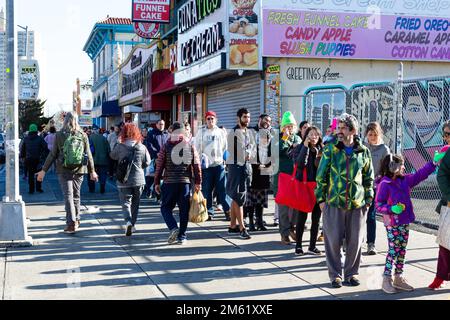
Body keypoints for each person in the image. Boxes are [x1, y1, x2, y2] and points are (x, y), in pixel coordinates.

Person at [315, 113, 374, 288]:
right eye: (338, 128)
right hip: (334, 202)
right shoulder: (330, 149)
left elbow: (368, 177)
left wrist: (368, 199)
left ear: (353, 130)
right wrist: (321, 200)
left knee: (355, 241)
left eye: (343, 128)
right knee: (333, 240)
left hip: (357, 204)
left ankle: (352, 273)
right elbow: (321, 177)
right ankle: (335, 275)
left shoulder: (363, 151)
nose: (339, 131)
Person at [376, 154, 436, 294]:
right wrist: (391, 209)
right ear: (392, 167)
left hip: (404, 222)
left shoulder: (405, 180)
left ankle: (398, 277)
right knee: (393, 250)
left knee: (402, 249)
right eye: (401, 164)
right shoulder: (384, 184)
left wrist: (433, 163)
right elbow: (378, 205)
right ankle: (386, 279)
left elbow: (420, 174)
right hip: (392, 223)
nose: (404, 167)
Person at [37, 112, 98, 234]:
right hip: (80, 169)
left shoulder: (59, 135)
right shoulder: (83, 135)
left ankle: (71, 224)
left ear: (65, 121)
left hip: (63, 169)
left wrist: (43, 170)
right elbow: (89, 155)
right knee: (76, 195)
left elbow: (53, 154)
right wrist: (92, 171)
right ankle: (77, 220)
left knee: (68, 196)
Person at [154, 122, 202, 245]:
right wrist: (198, 181)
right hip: (184, 183)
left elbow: (159, 166)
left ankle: (173, 228)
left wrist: (156, 182)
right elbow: (196, 165)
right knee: (183, 210)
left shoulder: (166, 146)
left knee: (165, 207)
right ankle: (182, 236)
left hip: (169, 182)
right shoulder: (190, 146)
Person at [110, 123, 150, 237]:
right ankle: (133, 224)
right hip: (139, 180)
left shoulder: (120, 146)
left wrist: (117, 143)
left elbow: (112, 155)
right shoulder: (142, 147)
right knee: (135, 204)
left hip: (124, 180)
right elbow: (147, 162)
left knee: (126, 203)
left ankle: (127, 221)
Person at [193, 111, 230, 221]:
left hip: (218, 165)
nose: (210, 121)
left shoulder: (220, 132)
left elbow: (224, 147)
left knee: (222, 189)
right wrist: (199, 162)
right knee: (207, 190)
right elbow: (197, 148)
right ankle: (209, 212)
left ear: (216, 120)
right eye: (208, 119)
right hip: (206, 167)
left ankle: (227, 211)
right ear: (205, 120)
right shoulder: (201, 132)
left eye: (212, 119)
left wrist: (223, 160)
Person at [226, 108, 256, 240]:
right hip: (236, 167)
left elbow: (253, 148)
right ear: (238, 118)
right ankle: (242, 228)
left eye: (248, 117)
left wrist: (251, 154)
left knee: (235, 197)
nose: (247, 120)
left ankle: (232, 226)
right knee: (239, 198)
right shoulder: (233, 132)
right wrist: (245, 155)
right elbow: (233, 151)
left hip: (246, 167)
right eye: (245, 117)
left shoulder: (249, 132)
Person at [294, 126, 324, 256]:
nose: (314, 137)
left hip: (318, 187)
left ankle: (312, 246)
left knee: (316, 219)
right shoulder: (299, 149)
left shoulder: (322, 150)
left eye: (316, 135)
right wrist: (305, 147)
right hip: (305, 187)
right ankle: (299, 246)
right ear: (306, 136)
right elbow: (300, 164)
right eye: (311, 134)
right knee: (302, 218)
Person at [429, 121, 450, 290]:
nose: (445, 137)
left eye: (448, 134)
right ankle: (440, 277)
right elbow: (441, 177)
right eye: (444, 134)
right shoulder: (447, 153)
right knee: (445, 244)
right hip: (449, 204)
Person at [364, 122, 391, 255]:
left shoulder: (384, 149)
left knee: (371, 216)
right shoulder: (362, 147)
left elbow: (387, 169)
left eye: (375, 134)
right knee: (355, 216)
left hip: (375, 187)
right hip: (360, 187)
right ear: (366, 135)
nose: (373, 137)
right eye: (370, 135)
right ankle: (350, 242)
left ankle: (371, 244)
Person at [275, 111, 301, 245]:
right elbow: (275, 152)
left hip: (295, 177)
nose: (289, 128)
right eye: (286, 126)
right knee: (284, 207)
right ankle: (284, 234)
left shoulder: (297, 138)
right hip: (282, 177)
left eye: (291, 126)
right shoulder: (278, 139)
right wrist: (284, 139)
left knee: (296, 205)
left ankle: (291, 227)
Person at [244, 114, 273, 232]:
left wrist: (267, 165)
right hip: (253, 168)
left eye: (269, 121)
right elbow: (248, 149)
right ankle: (250, 221)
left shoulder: (270, 134)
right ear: (259, 120)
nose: (267, 122)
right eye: (265, 120)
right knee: (252, 196)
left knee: (262, 196)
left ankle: (259, 221)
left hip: (265, 167)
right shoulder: (251, 131)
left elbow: (271, 151)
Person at [21, 124, 48, 194]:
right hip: (38, 159)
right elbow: (46, 148)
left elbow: (22, 149)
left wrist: (22, 157)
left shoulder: (26, 139)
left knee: (30, 174)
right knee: (39, 174)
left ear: (29, 130)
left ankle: (31, 189)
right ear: (36, 130)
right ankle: (39, 188)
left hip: (28, 159)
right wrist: (43, 156)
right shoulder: (40, 138)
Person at [88, 125, 111, 194]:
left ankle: (92, 189)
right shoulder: (104, 138)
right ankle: (102, 188)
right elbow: (108, 150)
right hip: (103, 160)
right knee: (103, 174)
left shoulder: (90, 138)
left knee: (91, 174)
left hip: (92, 160)